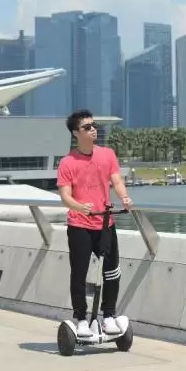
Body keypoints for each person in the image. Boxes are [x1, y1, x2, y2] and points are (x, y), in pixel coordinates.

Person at [56, 109, 133, 337]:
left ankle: (108, 316)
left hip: (105, 223)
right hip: (79, 225)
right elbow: (65, 196)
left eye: (94, 125)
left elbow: (116, 181)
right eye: (87, 127)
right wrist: (79, 207)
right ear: (75, 132)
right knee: (79, 274)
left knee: (111, 272)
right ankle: (81, 318)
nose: (93, 129)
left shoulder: (107, 154)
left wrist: (125, 198)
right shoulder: (68, 162)